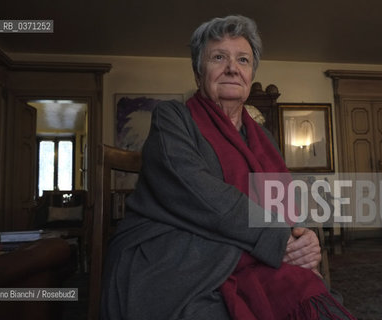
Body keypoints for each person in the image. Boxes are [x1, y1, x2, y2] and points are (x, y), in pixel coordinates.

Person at [101, 15, 355, 320]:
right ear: (198, 73)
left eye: (243, 60)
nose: (232, 67)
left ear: (249, 74)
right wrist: (278, 239)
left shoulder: (263, 138)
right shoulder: (172, 118)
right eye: (219, 57)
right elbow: (195, 190)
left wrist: (305, 238)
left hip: (254, 254)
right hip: (178, 256)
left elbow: (287, 201)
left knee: (310, 297)